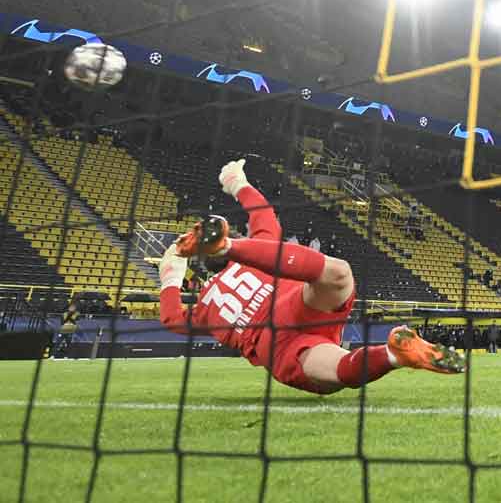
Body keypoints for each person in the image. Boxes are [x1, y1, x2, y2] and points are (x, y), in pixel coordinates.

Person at [159, 159, 464, 394]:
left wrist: (171, 274)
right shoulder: (256, 254)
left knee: (336, 371)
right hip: (300, 305)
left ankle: (392, 355)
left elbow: (173, 319)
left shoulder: (205, 305)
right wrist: (238, 183)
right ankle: (228, 246)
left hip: (275, 343)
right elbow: (263, 215)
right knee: (339, 272)